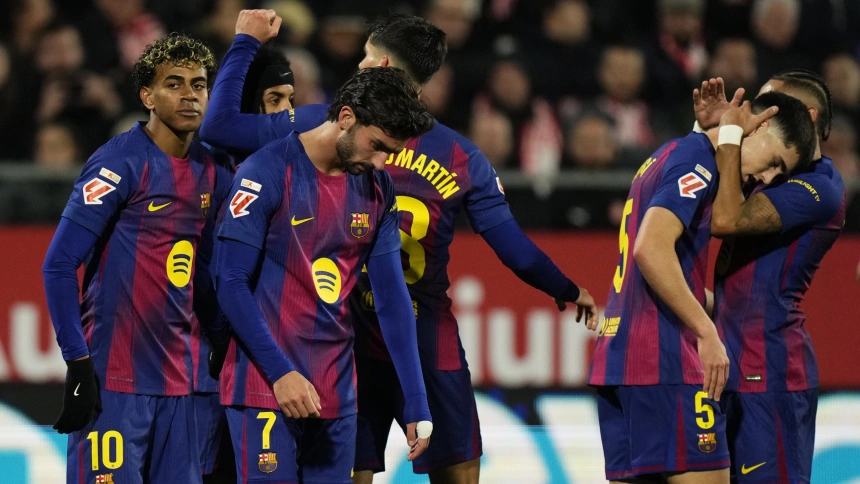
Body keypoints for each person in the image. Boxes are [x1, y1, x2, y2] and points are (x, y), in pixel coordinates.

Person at [199, 11, 600, 484]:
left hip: (349, 338)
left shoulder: (322, 125)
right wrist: (566, 286)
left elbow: (217, 128)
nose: (360, 66)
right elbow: (514, 248)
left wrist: (244, 41)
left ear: (382, 63)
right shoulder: (461, 155)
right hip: (420, 337)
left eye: (367, 57)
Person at [213, 65, 435, 484]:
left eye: (391, 152)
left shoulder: (378, 189)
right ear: (347, 118)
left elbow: (391, 299)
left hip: (336, 394)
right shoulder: (265, 172)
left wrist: (416, 401)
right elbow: (229, 282)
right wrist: (280, 373)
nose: (381, 162)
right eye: (377, 146)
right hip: (265, 386)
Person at [588, 91, 817, 483]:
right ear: (757, 126)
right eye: (775, 161)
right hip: (667, 363)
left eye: (779, 176)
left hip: (619, 362)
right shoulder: (697, 162)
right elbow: (651, 248)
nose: (768, 178)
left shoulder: (668, 153)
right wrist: (707, 331)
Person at [41, 33, 231, 484]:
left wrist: (221, 336)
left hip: (183, 384)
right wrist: (78, 364)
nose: (189, 95)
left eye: (199, 84)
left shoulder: (214, 171)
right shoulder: (118, 164)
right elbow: (59, 264)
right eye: (174, 83)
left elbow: (203, 269)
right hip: (115, 380)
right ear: (147, 95)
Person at [693, 72, 845, 484]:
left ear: (805, 116)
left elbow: (724, 219)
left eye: (767, 103)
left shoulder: (819, 189)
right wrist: (706, 130)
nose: (754, 115)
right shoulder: (767, 173)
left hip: (771, 375)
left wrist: (727, 135)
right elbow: (693, 192)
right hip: (729, 370)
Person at [196, 42, 297, 484]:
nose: (287, 114)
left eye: (291, 101)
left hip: (258, 361)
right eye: (274, 101)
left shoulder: (290, 170)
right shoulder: (205, 171)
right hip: (202, 362)